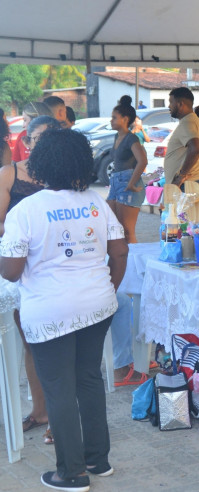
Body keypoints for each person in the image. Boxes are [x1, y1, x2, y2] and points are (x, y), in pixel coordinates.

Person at [0, 128, 128, 491]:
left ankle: (71, 474)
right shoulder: (95, 202)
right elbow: (120, 252)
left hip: (49, 310)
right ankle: (97, 460)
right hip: (97, 306)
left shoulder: (25, 211)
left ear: (40, 166)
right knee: (88, 379)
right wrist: (106, 289)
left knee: (58, 386)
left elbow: (10, 271)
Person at [0, 115, 57, 443]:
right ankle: (41, 411)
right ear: (27, 141)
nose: (39, 145)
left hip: (57, 270)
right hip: (21, 269)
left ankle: (60, 415)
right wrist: (29, 236)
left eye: (47, 139)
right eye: (34, 138)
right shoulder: (11, 173)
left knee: (55, 345)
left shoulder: (65, 178)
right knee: (31, 343)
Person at [107, 95, 148, 244]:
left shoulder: (132, 138)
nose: (111, 121)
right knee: (113, 226)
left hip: (128, 181)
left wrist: (131, 183)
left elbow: (142, 161)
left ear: (125, 119)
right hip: (116, 182)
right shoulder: (115, 136)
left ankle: (133, 265)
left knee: (127, 231)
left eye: (114, 118)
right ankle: (121, 260)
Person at [164, 87, 199, 198]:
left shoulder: (187, 123)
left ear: (180, 104)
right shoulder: (195, 121)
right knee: (187, 216)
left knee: (179, 216)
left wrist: (181, 177)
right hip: (193, 182)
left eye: (171, 102)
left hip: (188, 183)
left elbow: (196, 148)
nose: (169, 106)